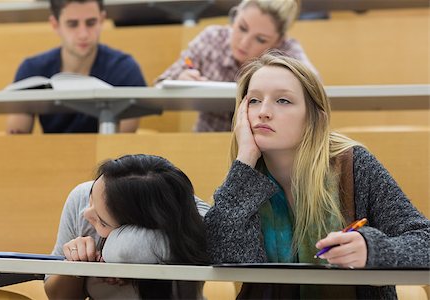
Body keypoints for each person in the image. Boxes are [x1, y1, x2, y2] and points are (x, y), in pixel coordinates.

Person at [204, 51, 430, 299]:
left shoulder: (353, 165)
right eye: (254, 101)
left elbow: (424, 241)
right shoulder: (246, 177)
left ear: (315, 118)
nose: (263, 112)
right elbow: (222, 253)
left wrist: (372, 249)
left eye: (283, 101)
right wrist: (245, 157)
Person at [44, 154, 209, 299]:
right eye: (91, 197)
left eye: (102, 222)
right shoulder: (81, 197)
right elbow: (58, 296)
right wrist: (76, 266)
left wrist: (123, 259)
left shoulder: (189, 220)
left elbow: (126, 249)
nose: (86, 214)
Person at [156, 0, 317, 132]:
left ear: (279, 41)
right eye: (242, 28)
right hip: (207, 139)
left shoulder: (287, 52)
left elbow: (315, 92)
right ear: (234, 16)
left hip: (266, 149)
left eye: (260, 39)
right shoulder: (212, 38)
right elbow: (160, 83)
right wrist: (181, 77)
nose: (244, 42)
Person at [7, 0, 146, 134]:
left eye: (91, 23)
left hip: (105, 156)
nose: (83, 34)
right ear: (55, 24)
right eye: (72, 24)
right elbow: (16, 139)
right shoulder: (32, 69)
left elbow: (121, 142)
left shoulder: (124, 68)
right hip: (50, 155)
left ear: (102, 19)